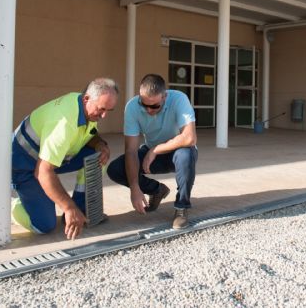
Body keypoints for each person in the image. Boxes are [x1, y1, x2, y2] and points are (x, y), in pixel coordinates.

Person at [11, 78, 119, 240]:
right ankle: (13, 205)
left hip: (51, 159)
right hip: (24, 166)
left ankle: (83, 210)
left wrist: (100, 144)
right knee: (44, 225)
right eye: (101, 109)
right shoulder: (63, 123)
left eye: (108, 111)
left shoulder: (85, 108)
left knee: (97, 157)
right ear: (87, 99)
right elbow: (43, 172)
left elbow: (89, 134)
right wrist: (69, 208)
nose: (103, 115)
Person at [107, 74, 197, 229]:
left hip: (177, 151)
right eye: (144, 104)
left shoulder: (179, 99)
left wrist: (156, 149)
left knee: (185, 155)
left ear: (164, 97)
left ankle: (182, 208)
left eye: (154, 106)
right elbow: (131, 151)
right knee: (115, 169)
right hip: (151, 155)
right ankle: (157, 190)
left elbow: (189, 138)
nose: (149, 110)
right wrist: (135, 186)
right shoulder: (132, 107)